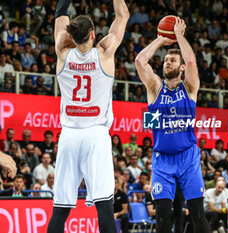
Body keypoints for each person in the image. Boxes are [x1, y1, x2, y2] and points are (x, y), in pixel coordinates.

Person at [47, 0, 129, 232]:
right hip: (96, 134)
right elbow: (122, 16)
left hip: (70, 135)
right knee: (104, 204)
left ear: (71, 36)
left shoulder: (62, 52)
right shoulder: (104, 53)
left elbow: (60, 12)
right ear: (93, 34)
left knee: (60, 208)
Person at [135, 17, 210, 233]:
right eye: (166, 60)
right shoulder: (155, 87)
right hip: (162, 159)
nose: (167, 62)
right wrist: (160, 40)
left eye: (173, 60)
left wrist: (178, 35)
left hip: (188, 156)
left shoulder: (190, 88)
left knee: (197, 214)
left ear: (182, 67)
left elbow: (193, 62)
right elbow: (140, 61)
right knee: (162, 218)